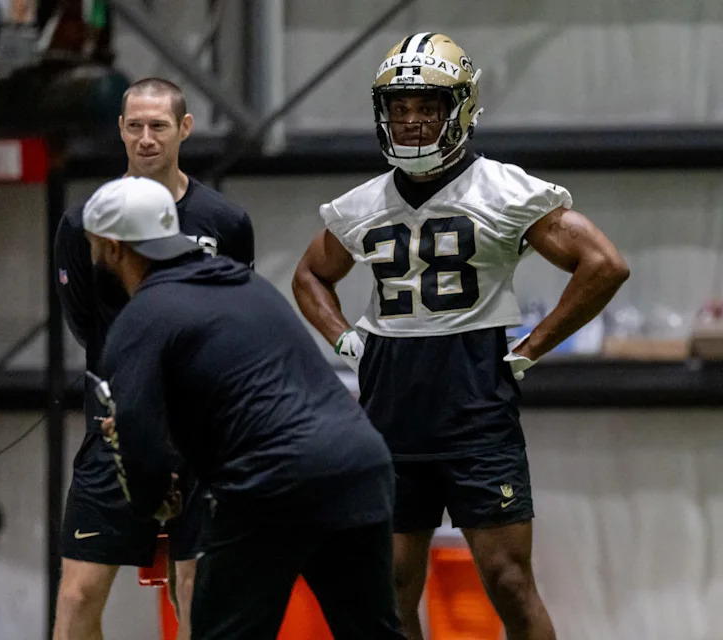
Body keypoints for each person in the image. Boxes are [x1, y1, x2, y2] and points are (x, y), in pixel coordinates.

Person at [292, 32, 630, 640]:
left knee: (507, 580)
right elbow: (310, 276)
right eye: (399, 107)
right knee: (390, 587)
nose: (412, 121)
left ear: (461, 111)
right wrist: (345, 339)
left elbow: (603, 263)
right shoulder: (360, 205)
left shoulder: (502, 189)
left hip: (475, 405)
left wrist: (531, 346)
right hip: (389, 406)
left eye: (428, 106)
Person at [86, 175, 404, 640]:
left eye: (94, 247)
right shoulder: (245, 285)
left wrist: (152, 498)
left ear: (113, 247)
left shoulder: (142, 318)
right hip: (359, 465)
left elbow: (135, 435)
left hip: (271, 479)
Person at [53, 78, 254, 640]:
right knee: (76, 597)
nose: (145, 138)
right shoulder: (81, 223)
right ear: (120, 129)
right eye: (134, 126)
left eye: (158, 126)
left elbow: (235, 319)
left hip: (202, 435)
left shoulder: (225, 222)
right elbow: (84, 322)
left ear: (184, 129)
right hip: (115, 427)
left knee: (196, 591)